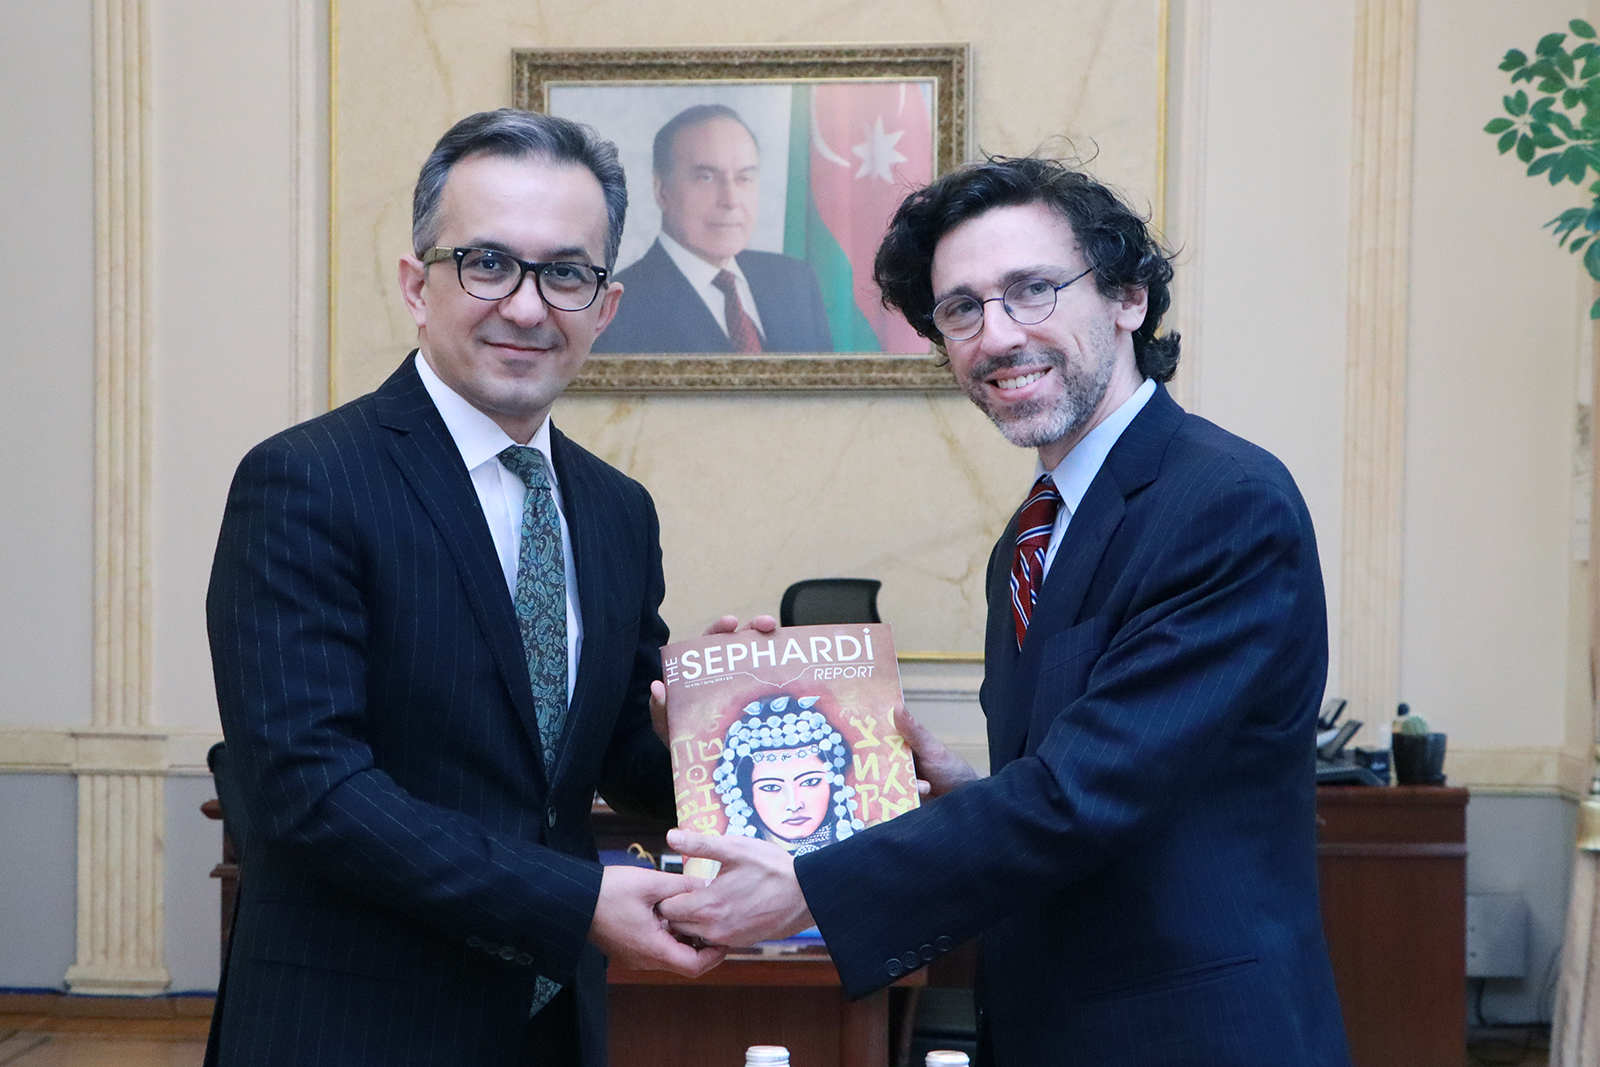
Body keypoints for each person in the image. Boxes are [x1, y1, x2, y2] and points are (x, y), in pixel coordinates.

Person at [659, 156, 1352, 1067]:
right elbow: (1077, 782)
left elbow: (1080, 795)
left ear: (1128, 298)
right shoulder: (1031, 535)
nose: (997, 335)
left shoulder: (1223, 503)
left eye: (1032, 290)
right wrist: (962, 787)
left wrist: (814, 888)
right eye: (961, 309)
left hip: (1193, 1035)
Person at [204, 109, 721, 1067]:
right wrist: (575, 901)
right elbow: (308, 792)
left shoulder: (617, 509)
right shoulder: (307, 481)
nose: (526, 307)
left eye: (565, 273)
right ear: (417, 284)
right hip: (351, 1030)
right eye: (487, 263)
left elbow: (614, 753)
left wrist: (720, 725)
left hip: (549, 1027)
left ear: (605, 305)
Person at [590, 103, 833, 354]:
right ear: (661, 189)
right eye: (705, 177)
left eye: (744, 178)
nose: (730, 200)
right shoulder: (615, 311)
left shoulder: (795, 282)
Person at [713, 693, 863, 855]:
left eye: (810, 782)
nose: (794, 804)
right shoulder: (715, 862)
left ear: (833, 783)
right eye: (771, 787)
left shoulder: (869, 844)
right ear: (747, 795)